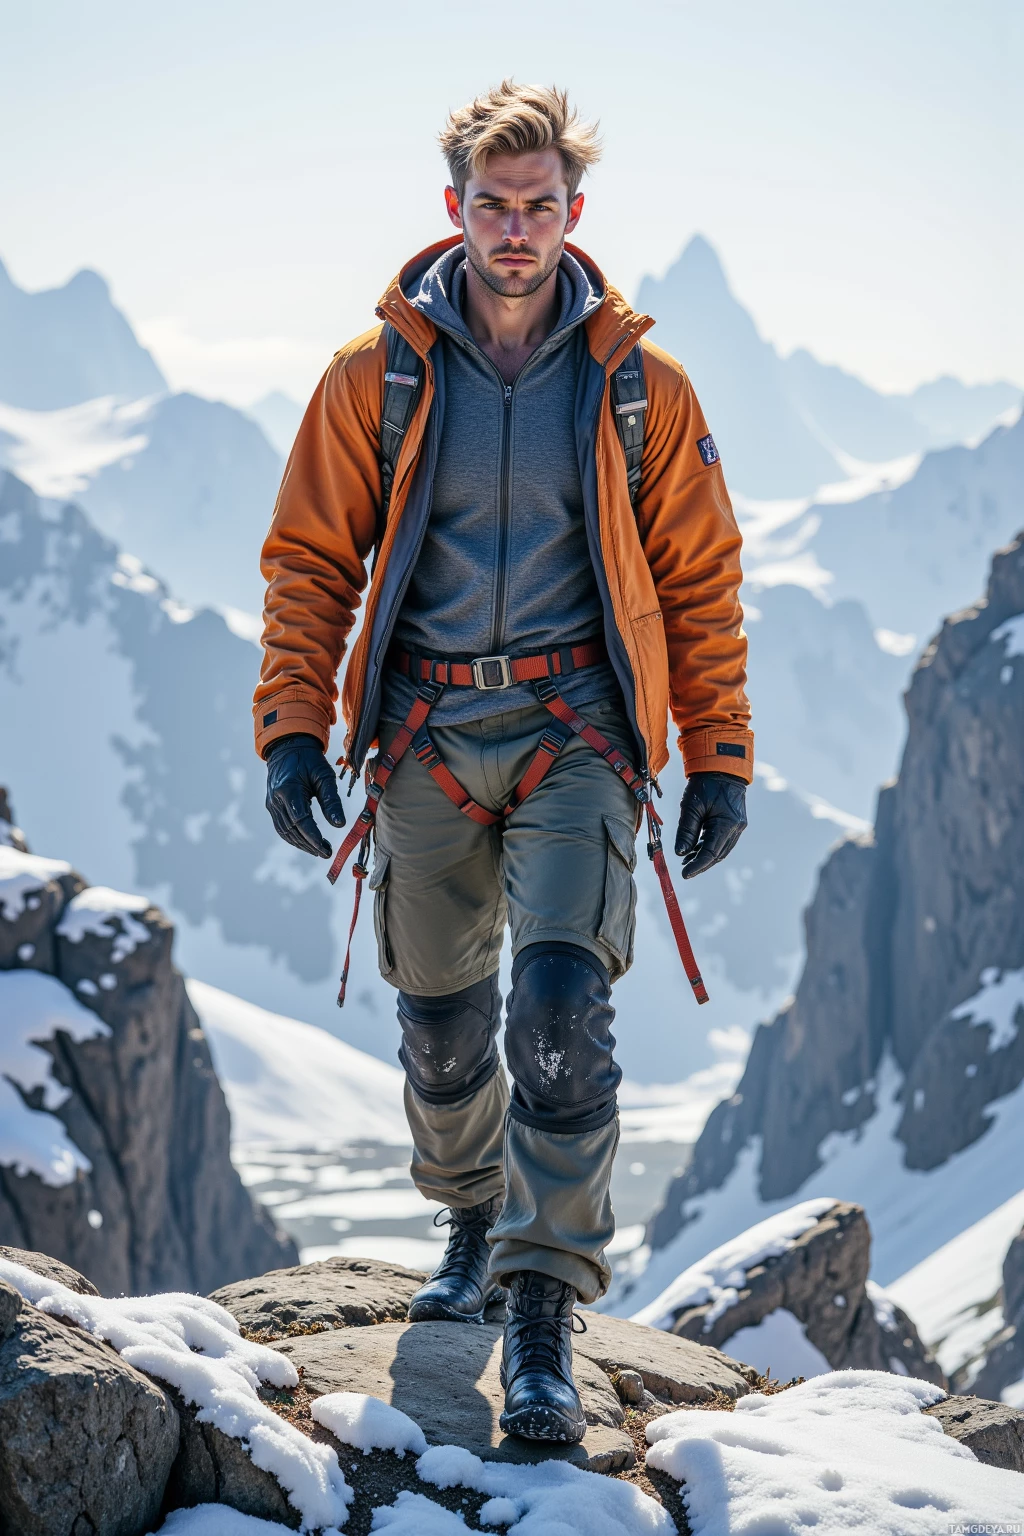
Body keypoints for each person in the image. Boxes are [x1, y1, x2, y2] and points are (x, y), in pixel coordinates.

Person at [254, 81, 752, 1445]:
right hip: (422, 729)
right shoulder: (381, 375)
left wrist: (718, 755)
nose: (517, 231)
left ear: (574, 214)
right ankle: (469, 1214)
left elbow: (700, 582)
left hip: (577, 730)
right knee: (443, 1025)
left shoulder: (641, 386)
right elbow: (310, 560)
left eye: (540, 208)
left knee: (559, 1011)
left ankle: (541, 1300)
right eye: (495, 205)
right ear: (456, 209)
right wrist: (294, 728)